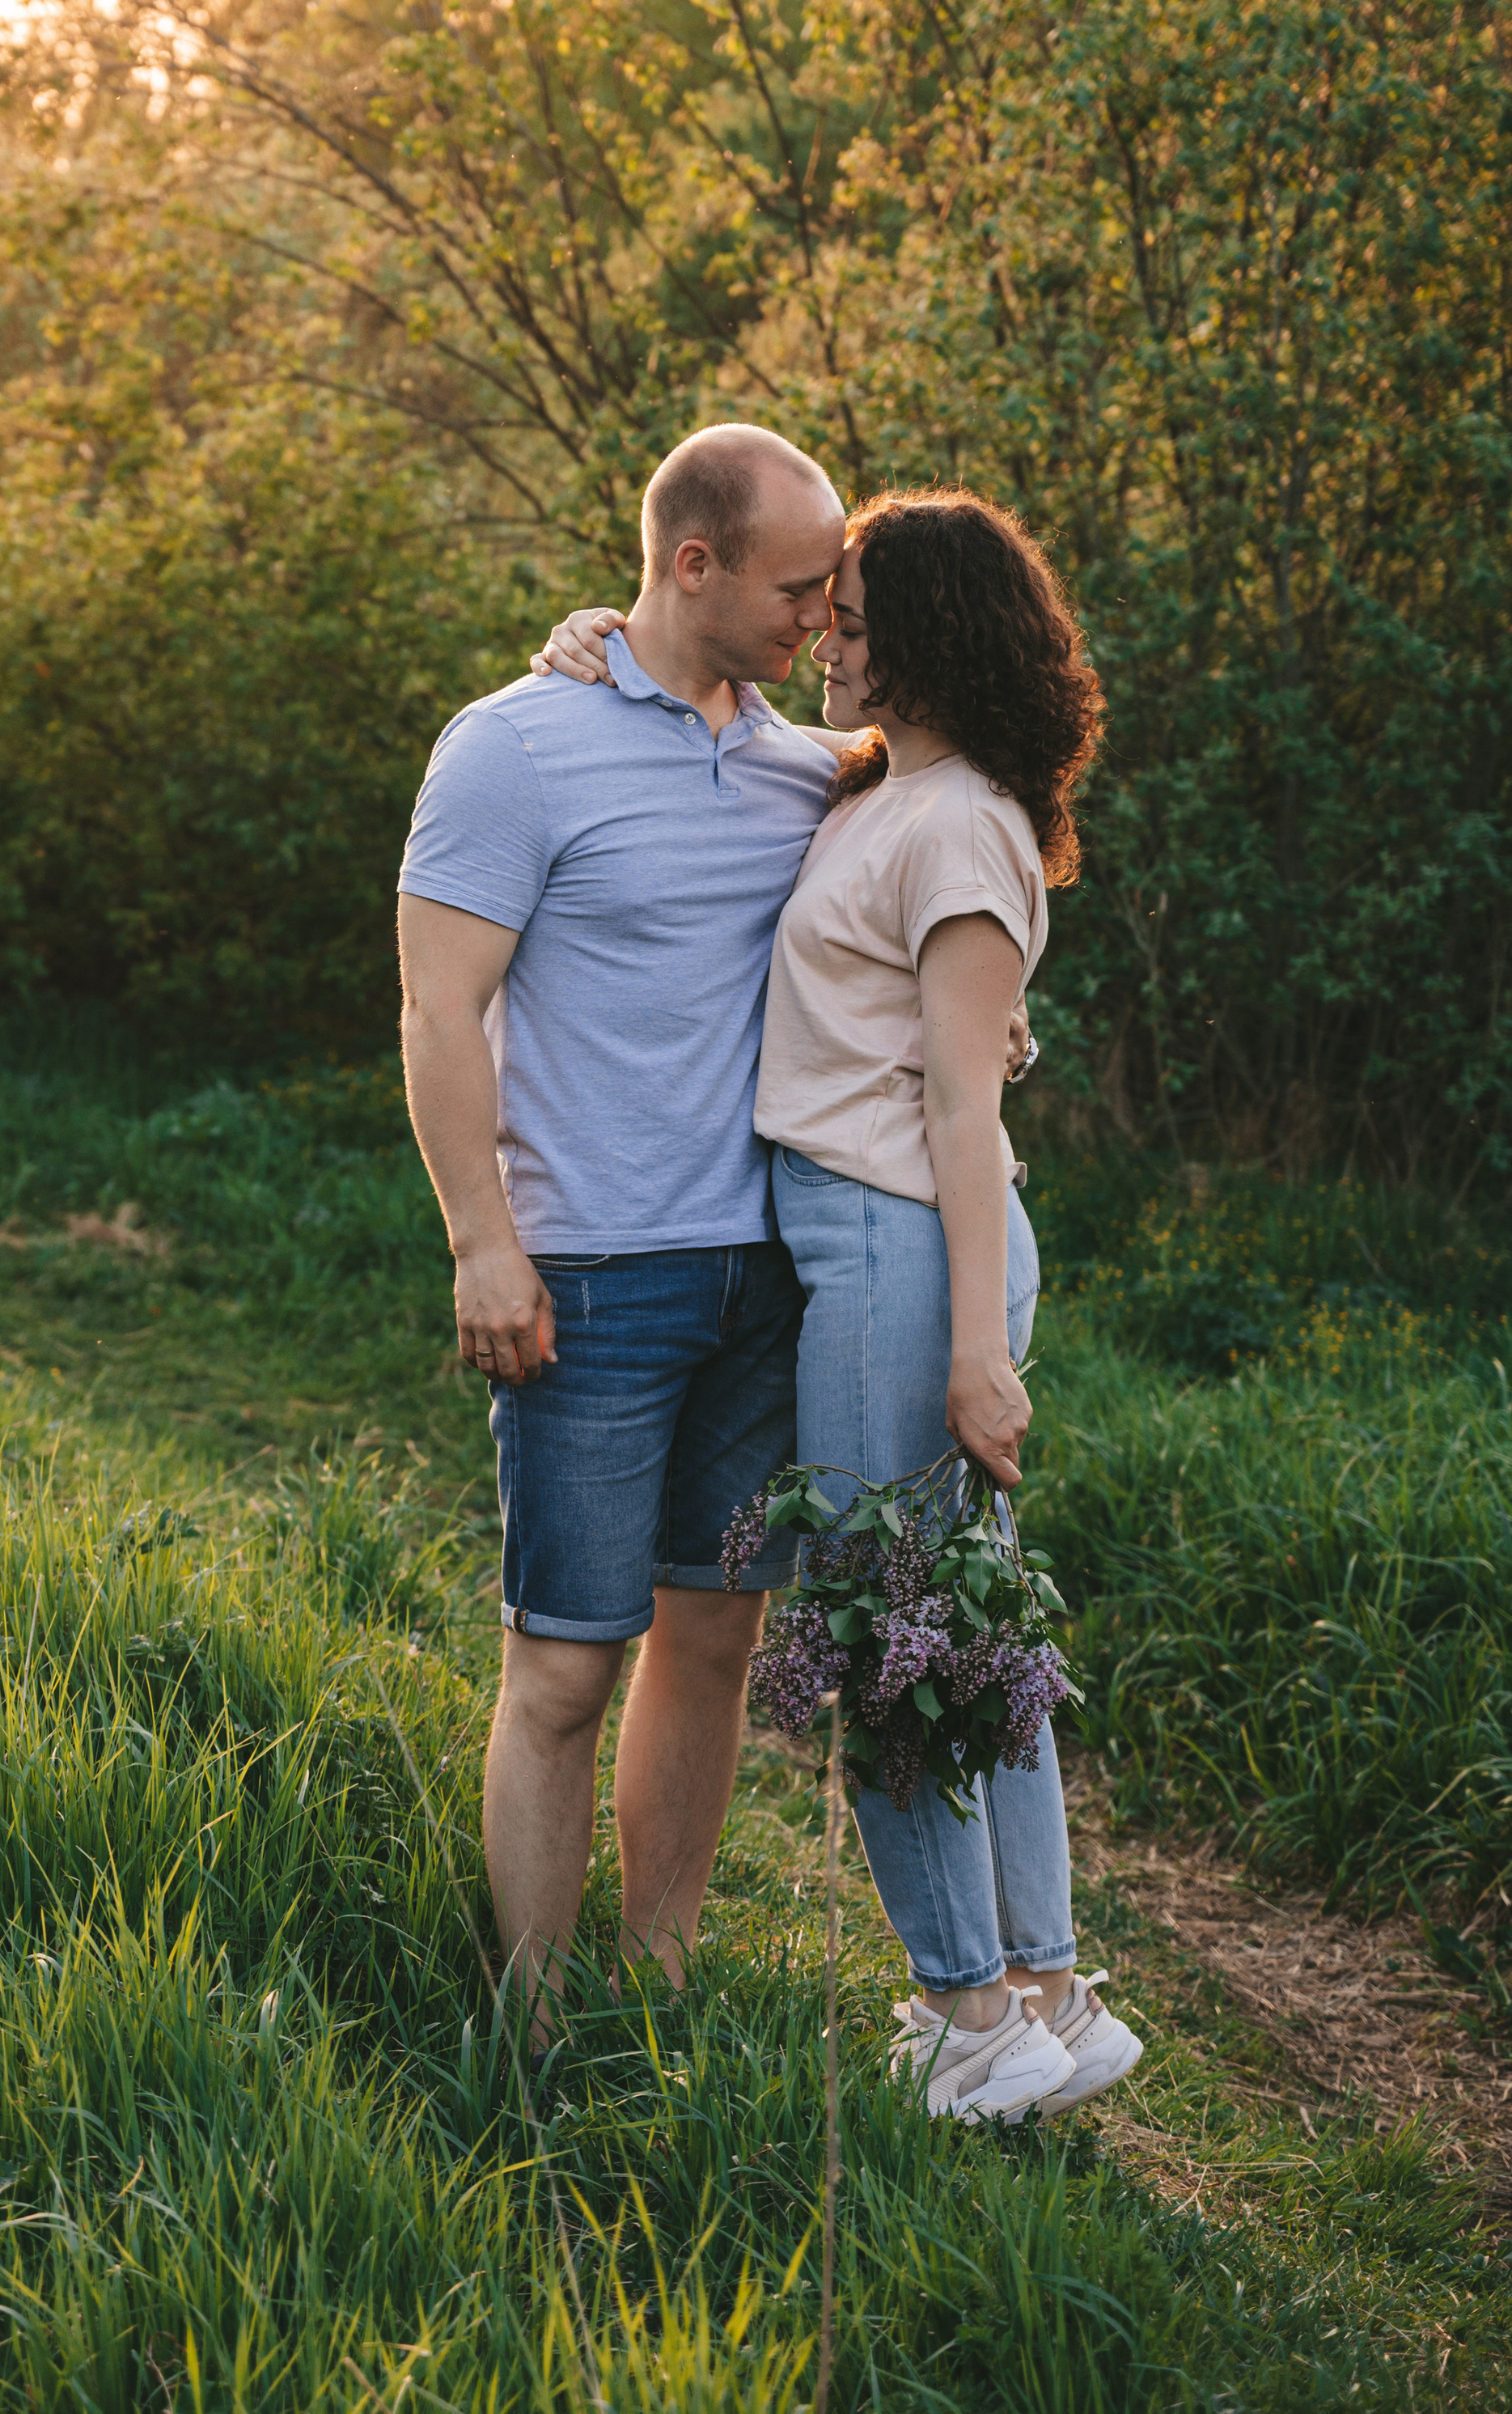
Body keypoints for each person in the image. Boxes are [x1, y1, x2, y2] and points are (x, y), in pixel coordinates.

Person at [536, 487, 1145, 2124]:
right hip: (887, 1236)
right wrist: (594, 647)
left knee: (888, 1638)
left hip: (898, 1245)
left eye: (856, 617)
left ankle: (963, 2016)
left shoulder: (953, 826)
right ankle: (1047, 1993)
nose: (823, 636)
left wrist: (964, 1353)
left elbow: (961, 1105)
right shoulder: (893, 786)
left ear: (933, 641)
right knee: (972, 1634)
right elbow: (699, 725)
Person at [396, 424, 846, 2034]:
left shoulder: (806, 767)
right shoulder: (512, 746)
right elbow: (438, 1010)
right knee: (565, 1664)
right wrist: (479, 1240)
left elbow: (928, 889)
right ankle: (524, 2020)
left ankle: (650, 1985)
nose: (822, 607)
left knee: (712, 1641)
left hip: (767, 1278)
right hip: (583, 1274)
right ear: (691, 562)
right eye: (799, 583)